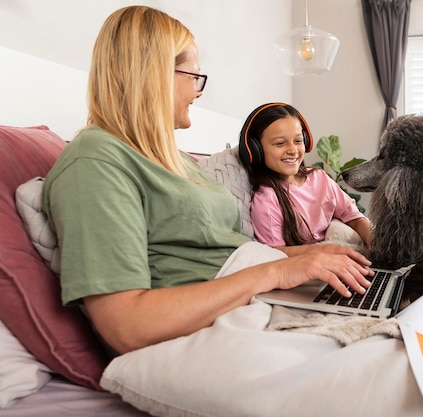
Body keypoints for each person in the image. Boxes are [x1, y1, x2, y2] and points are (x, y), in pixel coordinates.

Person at [41, 6, 373, 355]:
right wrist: (279, 271)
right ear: (155, 75)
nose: (198, 92)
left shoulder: (174, 160)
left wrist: (310, 255)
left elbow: (219, 247)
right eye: (194, 76)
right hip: (218, 325)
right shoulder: (97, 159)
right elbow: (127, 326)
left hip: (252, 296)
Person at [239, 102, 372, 249]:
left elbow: (354, 217)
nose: (293, 150)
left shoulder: (319, 178)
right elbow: (278, 254)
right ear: (256, 150)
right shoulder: (267, 201)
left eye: (297, 141)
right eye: (280, 143)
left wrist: (376, 241)